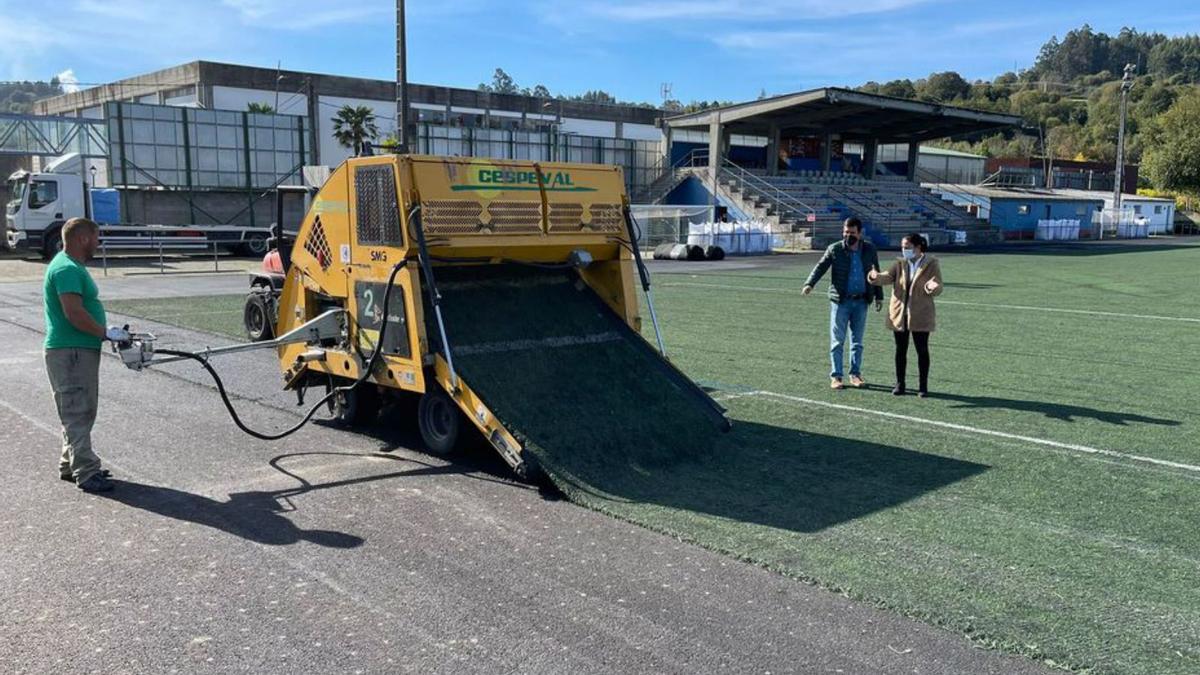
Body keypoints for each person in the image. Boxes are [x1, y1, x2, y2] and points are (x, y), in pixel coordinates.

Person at [43, 217, 131, 493]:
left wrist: (105, 332)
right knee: (77, 411)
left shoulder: (69, 266)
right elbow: (74, 313)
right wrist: (105, 333)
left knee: (76, 409)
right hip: (71, 352)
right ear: (82, 239)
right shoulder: (67, 269)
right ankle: (86, 472)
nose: (98, 242)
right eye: (96, 237)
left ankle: (70, 465)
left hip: (75, 351)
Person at [802, 217, 883, 389]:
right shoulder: (835, 249)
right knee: (837, 341)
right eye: (846, 232)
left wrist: (879, 295)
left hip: (861, 302)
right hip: (841, 301)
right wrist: (810, 283)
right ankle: (836, 376)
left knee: (857, 342)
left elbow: (876, 271)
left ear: (860, 233)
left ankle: (855, 374)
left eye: (852, 233)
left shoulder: (869, 249)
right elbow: (820, 267)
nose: (848, 235)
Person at [868, 232, 943, 397]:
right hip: (900, 314)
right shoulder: (899, 263)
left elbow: (938, 285)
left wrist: (932, 287)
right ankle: (900, 383)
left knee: (922, 350)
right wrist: (874, 277)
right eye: (902, 247)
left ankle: (923, 386)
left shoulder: (931, 263)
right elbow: (887, 277)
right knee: (900, 350)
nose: (904, 250)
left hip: (921, 314)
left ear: (918, 247)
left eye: (907, 247)